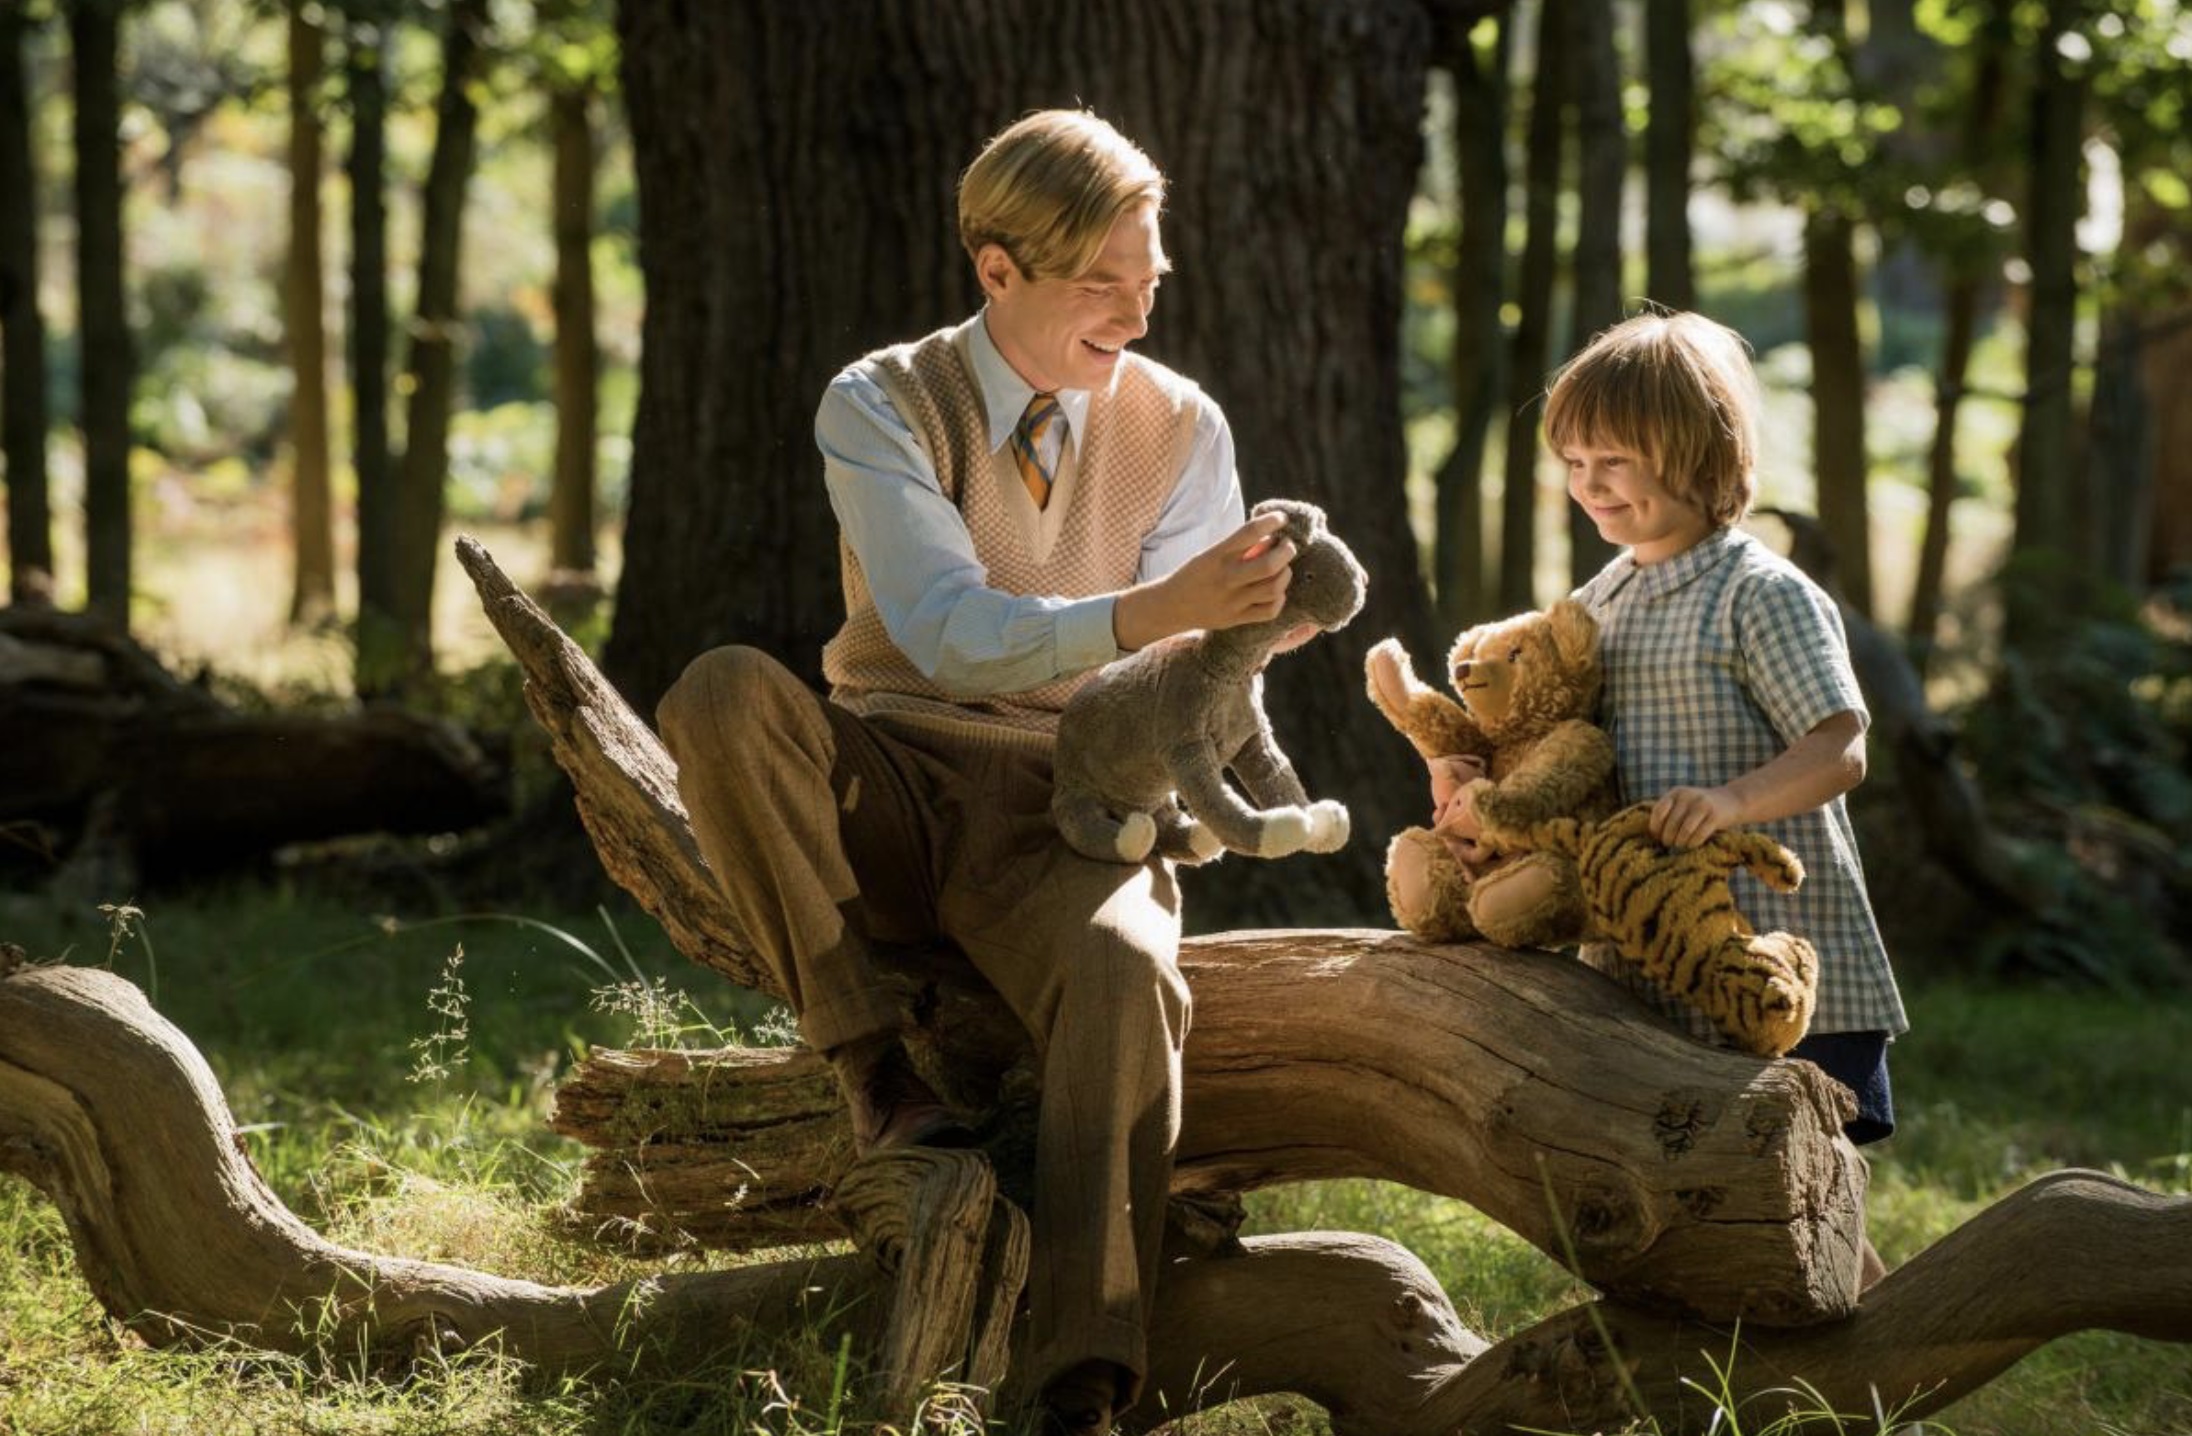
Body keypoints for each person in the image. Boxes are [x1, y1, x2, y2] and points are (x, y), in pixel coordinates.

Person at [654, 109, 1294, 1433]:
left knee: (1127, 970)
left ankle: (1088, 1378)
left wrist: (1232, 761)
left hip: (1075, 802)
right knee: (722, 692)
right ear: (995, 267)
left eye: (1149, 277)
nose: (1135, 307)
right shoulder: (880, 400)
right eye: (1098, 282)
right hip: (886, 772)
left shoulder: (1184, 425)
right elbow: (944, 631)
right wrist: (1155, 605)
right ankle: (873, 1072)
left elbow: (1213, 665)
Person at [1533, 310, 1907, 1147]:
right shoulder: (1598, 605)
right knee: (1708, 1176)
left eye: (1616, 461)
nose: (1590, 483)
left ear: (1696, 454)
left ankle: (1881, 1290)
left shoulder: (1760, 593)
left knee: (1806, 1166)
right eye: (1574, 462)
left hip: (1780, 949)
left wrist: (1732, 802)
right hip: (1655, 952)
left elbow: (1839, 748)